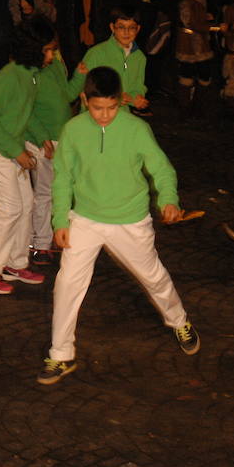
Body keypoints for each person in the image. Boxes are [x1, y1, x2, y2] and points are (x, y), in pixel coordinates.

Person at [39, 66, 201, 385]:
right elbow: (63, 179)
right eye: (98, 108)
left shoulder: (136, 129)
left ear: (119, 102)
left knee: (152, 275)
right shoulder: (72, 130)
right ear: (85, 100)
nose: (104, 115)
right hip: (85, 217)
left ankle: (178, 319)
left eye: (112, 108)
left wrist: (168, 200)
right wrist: (60, 219)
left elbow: (162, 169)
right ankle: (60, 354)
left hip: (130, 219)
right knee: (67, 284)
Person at [0, 17, 57, 295]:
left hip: (9, 145)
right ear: (33, 49)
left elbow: (25, 113)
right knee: (10, 208)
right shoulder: (8, 77)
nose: (52, 55)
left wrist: (40, 135)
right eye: (48, 49)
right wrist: (17, 152)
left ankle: (15, 263)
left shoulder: (30, 75)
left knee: (27, 202)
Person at [25, 49, 74, 267]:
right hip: (40, 140)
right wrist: (41, 136)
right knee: (43, 192)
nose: (52, 54)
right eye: (47, 50)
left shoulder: (56, 66)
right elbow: (26, 110)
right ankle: (40, 244)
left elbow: (67, 95)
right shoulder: (29, 74)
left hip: (59, 138)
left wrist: (80, 75)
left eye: (55, 49)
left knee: (59, 189)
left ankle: (53, 236)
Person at [67, 6, 149, 113]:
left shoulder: (140, 58)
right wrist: (115, 97)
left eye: (131, 27)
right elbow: (85, 86)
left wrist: (136, 98)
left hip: (121, 116)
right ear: (112, 27)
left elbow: (138, 86)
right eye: (121, 27)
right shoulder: (96, 53)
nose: (126, 32)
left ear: (138, 29)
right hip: (95, 114)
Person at [175, 0, 215, 114]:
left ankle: (199, 105)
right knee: (187, 74)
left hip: (200, 43)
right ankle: (185, 107)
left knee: (204, 73)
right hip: (189, 45)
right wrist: (212, 27)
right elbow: (190, 21)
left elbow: (196, 18)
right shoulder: (187, 1)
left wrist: (205, 17)